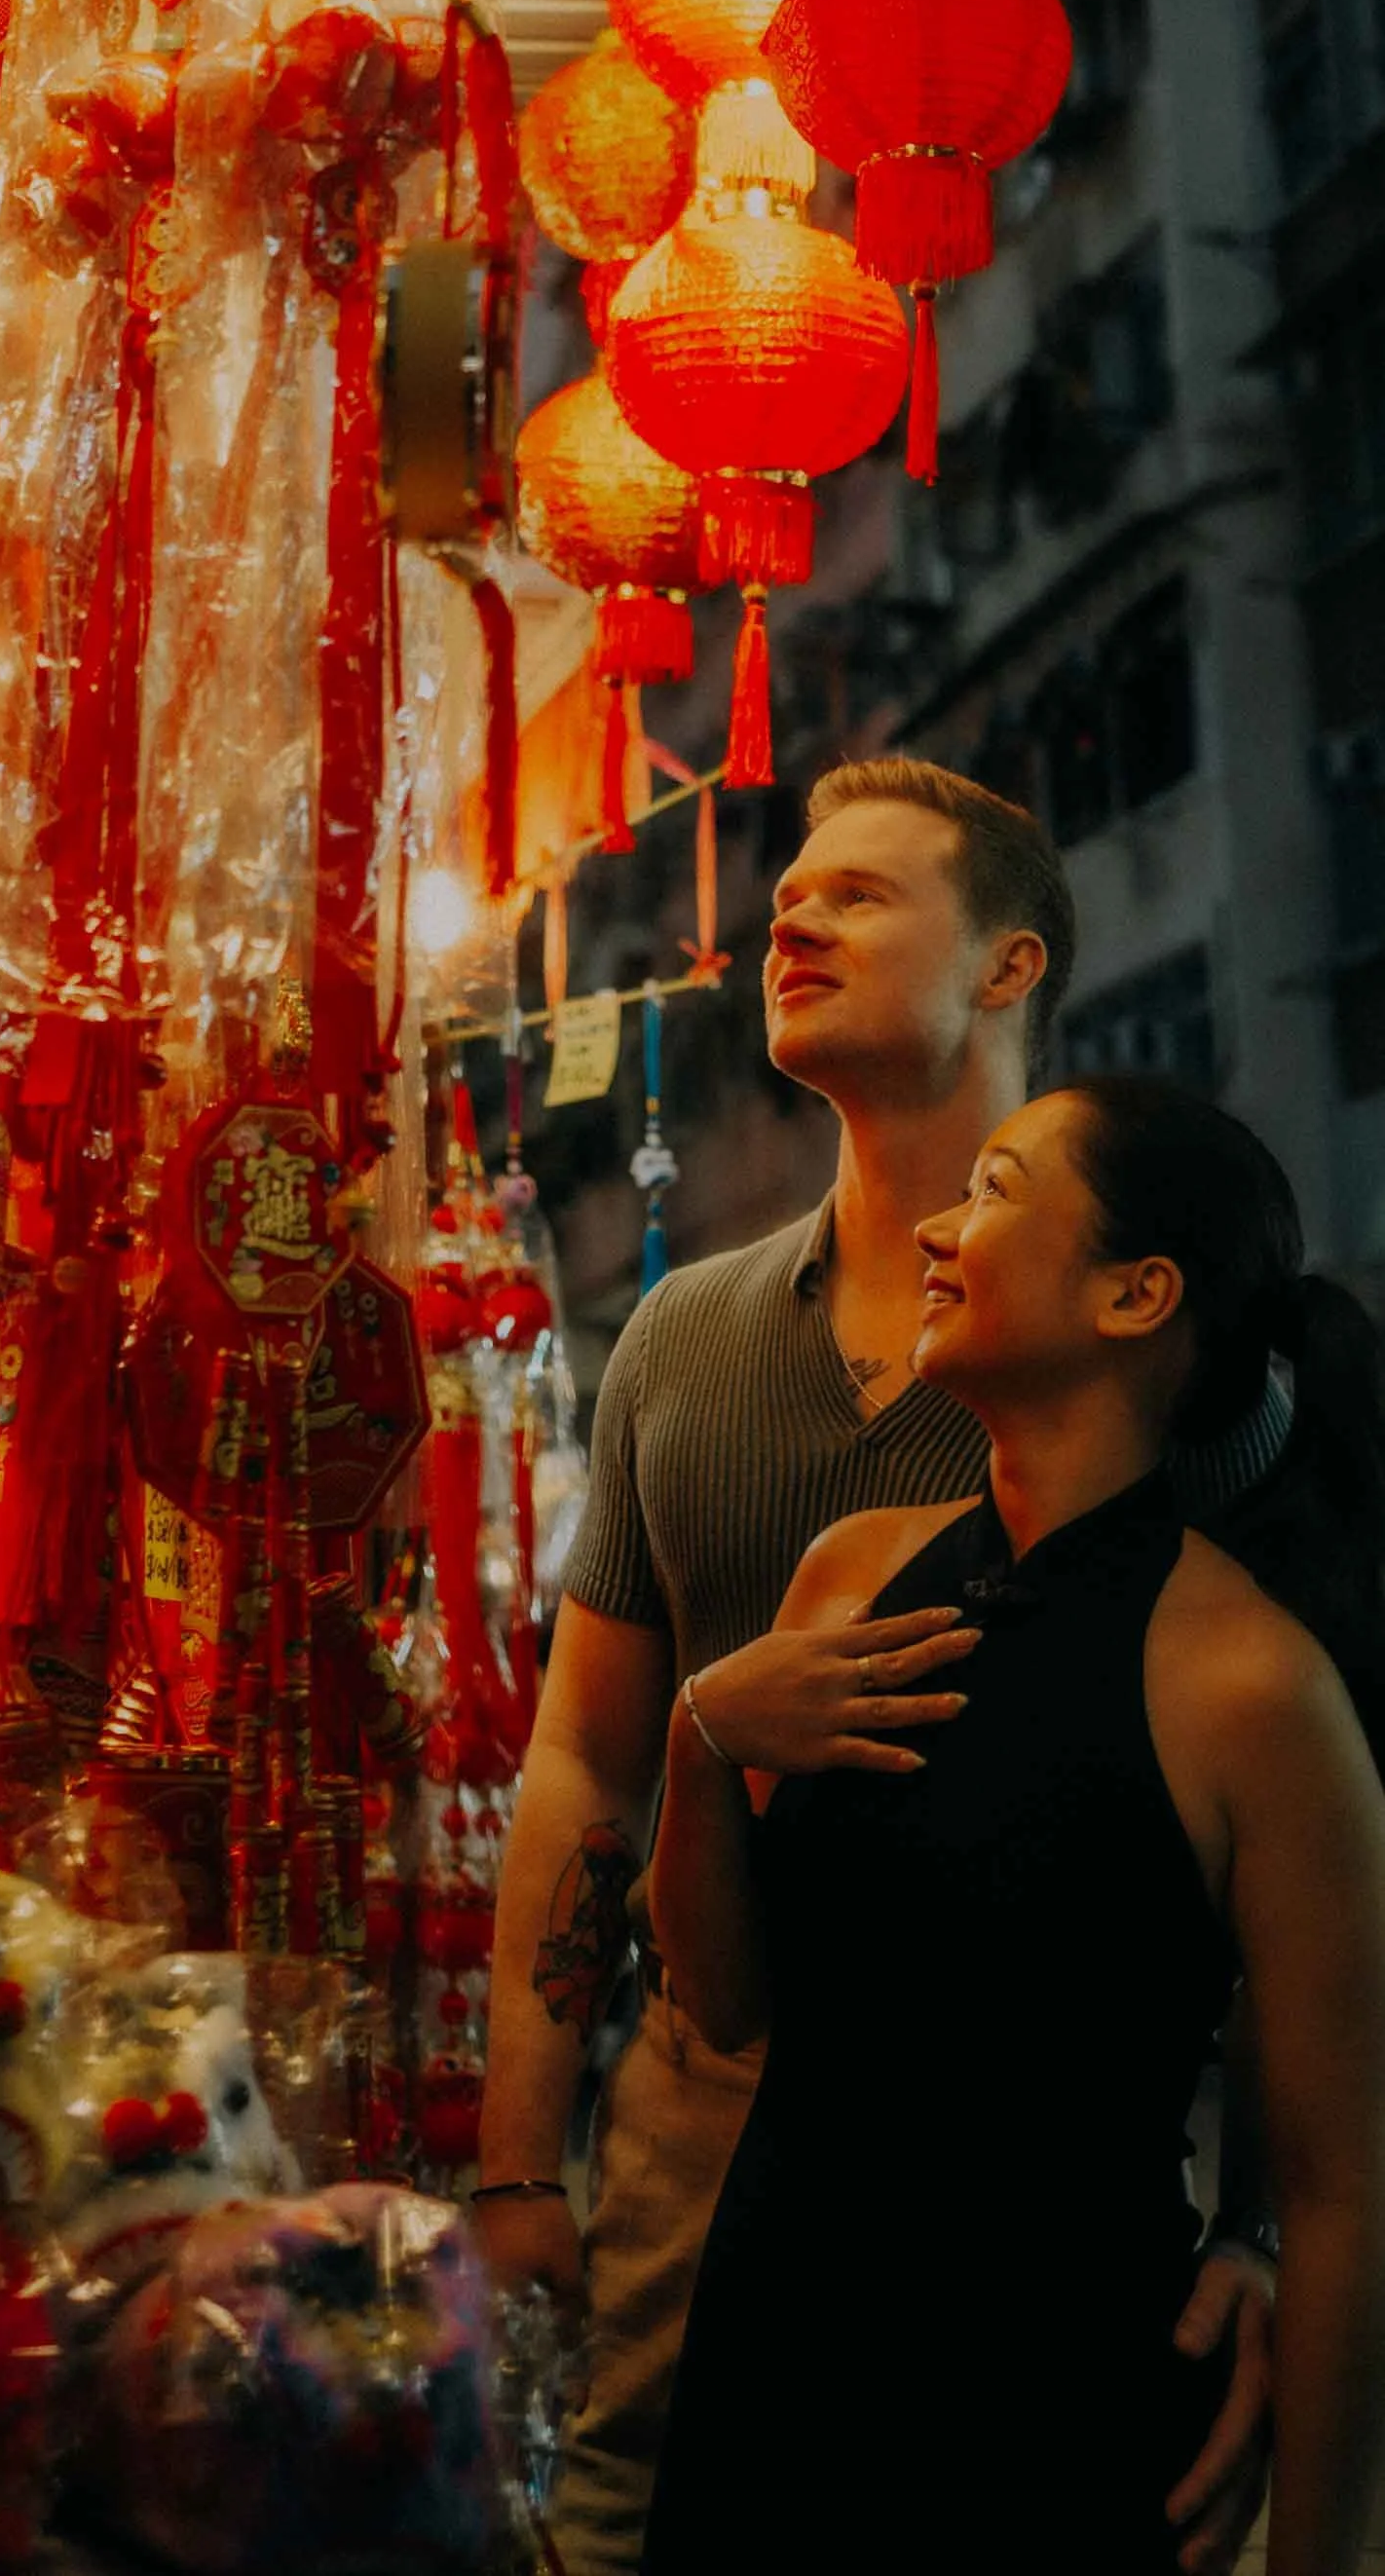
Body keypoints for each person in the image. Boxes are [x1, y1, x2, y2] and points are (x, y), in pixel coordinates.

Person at [473, 759, 1286, 2573]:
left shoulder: (1128, 1339)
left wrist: (1267, 2230)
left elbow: (1293, 1834)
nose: (793, 916)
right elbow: (582, 1761)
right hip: (700, 2103)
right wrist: (522, 2161)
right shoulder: (681, 1340)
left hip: (1013, 2145)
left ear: (1008, 968)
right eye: (788, 897)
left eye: (859, 895)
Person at [643, 1073, 1385, 2576]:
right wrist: (701, 1736)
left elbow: (1344, 2186)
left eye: (992, 1187)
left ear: (1136, 1294)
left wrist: (1315, 2550)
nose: (934, 1226)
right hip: (772, 2369)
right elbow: (724, 2006)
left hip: (1055, 2425)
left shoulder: (1250, 1683)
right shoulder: (849, 1575)